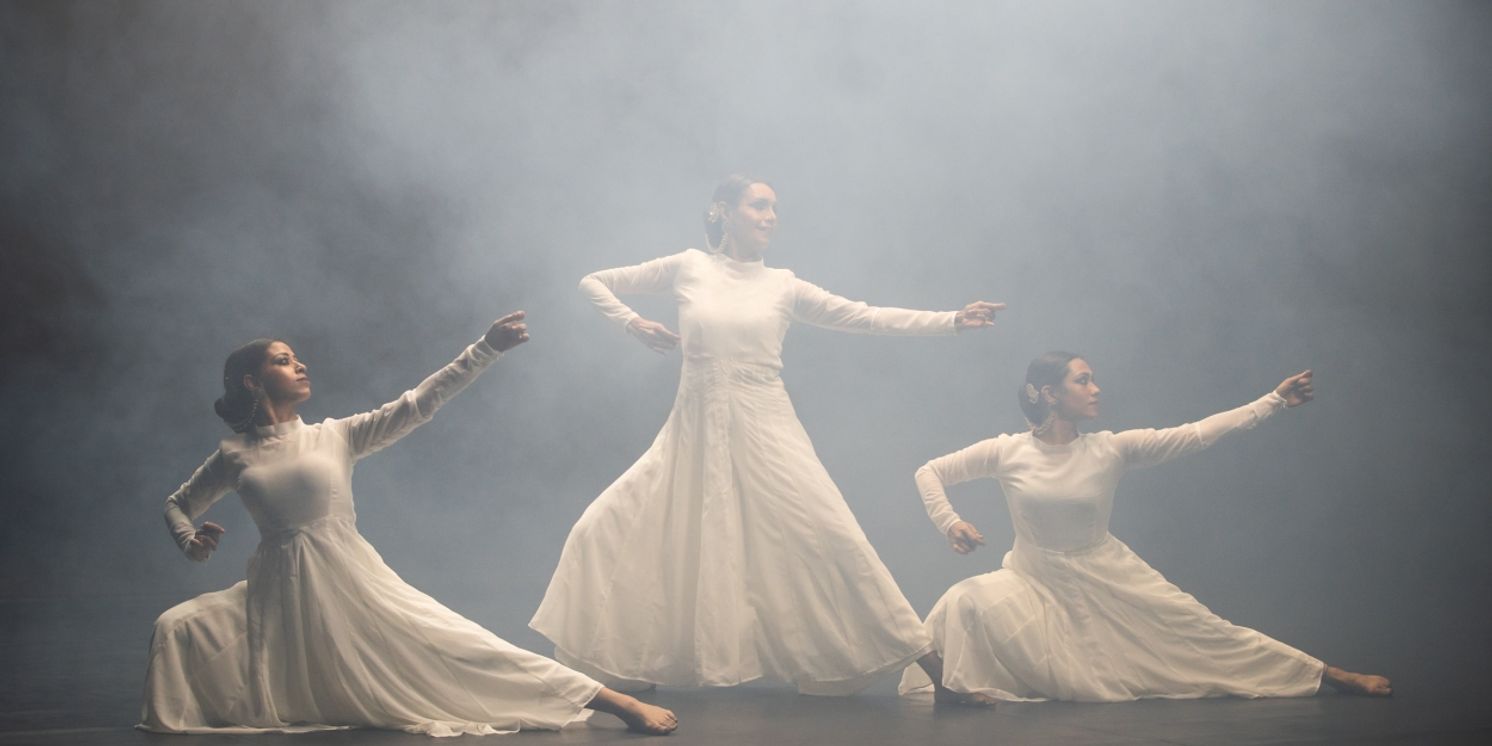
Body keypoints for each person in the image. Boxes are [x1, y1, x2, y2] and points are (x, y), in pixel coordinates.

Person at [531, 175, 1005, 698]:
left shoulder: (782, 285)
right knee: (606, 529)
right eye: (759, 205)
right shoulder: (689, 266)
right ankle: (629, 661)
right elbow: (593, 282)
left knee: (835, 538)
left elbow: (865, 316)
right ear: (723, 211)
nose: (770, 216)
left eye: (774, 208)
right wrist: (632, 323)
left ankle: (938, 675)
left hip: (768, 428)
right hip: (693, 435)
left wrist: (951, 320)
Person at [140, 312, 677, 736]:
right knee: (175, 626)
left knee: (458, 644)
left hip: (346, 578)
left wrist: (485, 349)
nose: (301, 366)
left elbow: (420, 403)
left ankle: (612, 700)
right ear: (253, 381)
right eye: (285, 361)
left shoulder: (334, 436)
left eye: (298, 358)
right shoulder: (234, 454)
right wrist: (191, 542)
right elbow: (177, 504)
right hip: (276, 593)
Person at [899, 352, 1392, 703]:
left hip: (1105, 572)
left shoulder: (1110, 448)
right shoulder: (1008, 451)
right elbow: (930, 471)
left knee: (1204, 630)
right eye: (1083, 381)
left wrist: (1273, 401)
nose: (1096, 389)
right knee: (962, 601)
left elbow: (1197, 434)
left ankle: (1326, 674)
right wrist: (951, 522)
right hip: (1032, 578)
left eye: (1094, 380)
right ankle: (951, 691)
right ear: (1050, 394)